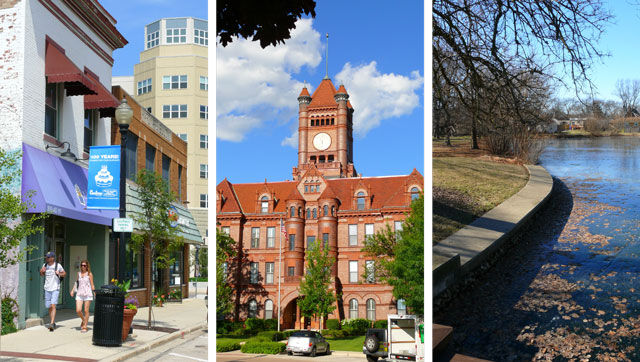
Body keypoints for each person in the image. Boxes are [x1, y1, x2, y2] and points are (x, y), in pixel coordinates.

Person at [39, 251, 66, 331]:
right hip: (47, 288)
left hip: (55, 288)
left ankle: (52, 322)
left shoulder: (58, 265)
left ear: (52, 258)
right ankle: (53, 322)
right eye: (46, 257)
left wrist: (59, 273)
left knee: (53, 305)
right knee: (49, 306)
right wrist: (42, 271)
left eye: (48, 257)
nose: (46, 258)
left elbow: (64, 274)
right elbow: (41, 274)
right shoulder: (45, 265)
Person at [70, 259, 95, 333]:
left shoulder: (89, 274)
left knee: (86, 310)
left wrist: (94, 292)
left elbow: (92, 284)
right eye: (82, 265)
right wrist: (72, 290)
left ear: (87, 266)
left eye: (84, 265)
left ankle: (85, 326)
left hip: (87, 294)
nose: (83, 267)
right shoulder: (79, 274)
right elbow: (76, 283)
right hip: (80, 293)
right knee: (78, 310)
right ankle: (84, 320)